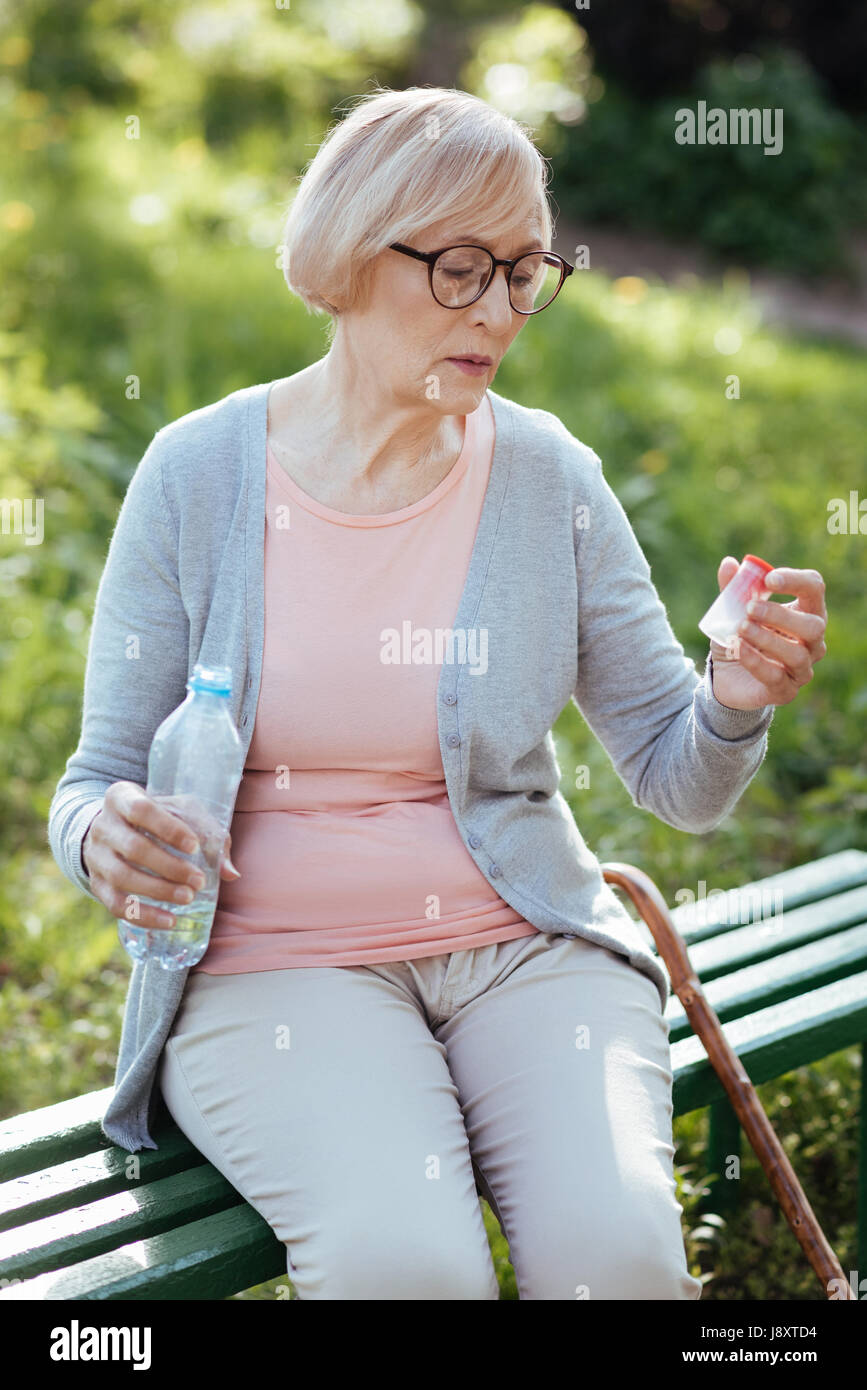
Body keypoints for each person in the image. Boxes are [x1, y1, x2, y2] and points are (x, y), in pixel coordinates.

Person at [49, 85, 827, 1301]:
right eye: (460, 268)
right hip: (278, 966)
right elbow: (91, 785)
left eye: (524, 274)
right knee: (406, 1269)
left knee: (618, 1266)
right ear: (350, 260)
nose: (502, 312)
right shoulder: (198, 473)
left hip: (525, 953)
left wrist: (732, 694)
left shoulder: (548, 478)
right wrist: (106, 840)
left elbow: (682, 784)